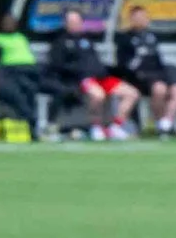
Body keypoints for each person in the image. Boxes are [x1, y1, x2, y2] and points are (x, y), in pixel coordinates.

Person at [51, 8, 134, 139]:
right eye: (71, 21)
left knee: (131, 93)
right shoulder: (60, 42)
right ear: (66, 23)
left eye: (77, 21)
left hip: (102, 77)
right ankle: (96, 126)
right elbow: (58, 66)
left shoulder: (87, 40)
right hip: (83, 79)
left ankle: (116, 126)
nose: (74, 24)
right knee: (97, 95)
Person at [114, 4, 176, 135]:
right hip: (139, 76)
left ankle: (167, 121)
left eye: (144, 17)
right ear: (131, 19)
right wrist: (138, 57)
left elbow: (158, 60)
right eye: (137, 17)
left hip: (159, 72)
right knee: (159, 89)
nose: (141, 20)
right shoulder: (124, 38)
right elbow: (124, 65)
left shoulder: (152, 36)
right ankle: (158, 122)